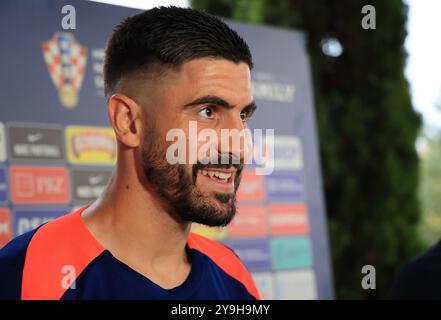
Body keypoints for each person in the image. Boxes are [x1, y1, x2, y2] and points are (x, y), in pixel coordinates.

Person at [0, 6, 260, 300]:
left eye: (243, 116)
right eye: (208, 111)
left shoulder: (233, 276)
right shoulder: (27, 273)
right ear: (128, 121)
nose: (240, 146)